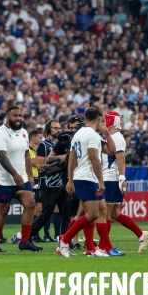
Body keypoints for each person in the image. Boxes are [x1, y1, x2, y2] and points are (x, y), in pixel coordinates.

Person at [58, 107, 110, 258]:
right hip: (88, 177)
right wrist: (101, 181)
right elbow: (94, 158)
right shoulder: (92, 135)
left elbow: (72, 159)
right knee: (93, 214)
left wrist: (70, 180)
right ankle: (65, 239)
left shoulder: (77, 134)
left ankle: (91, 250)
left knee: (90, 212)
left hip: (80, 176)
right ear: (99, 119)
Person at [0, 106, 41, 252]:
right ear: (7, 116)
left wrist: (29, 175)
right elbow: (0, 155)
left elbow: (26, 155)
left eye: (20, 115)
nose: (18, 118)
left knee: (30, 204)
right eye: (15, 116)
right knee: (2, 211)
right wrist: (14, 174)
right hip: (4, 180)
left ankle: (24, 241)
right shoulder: (1, 133)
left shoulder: (24, 132)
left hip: (22, 179)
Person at [101, 112, 148, 254]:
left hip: (111, 178)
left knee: (106, 214)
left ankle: (105, 246)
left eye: (106, 120)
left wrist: (122, 178)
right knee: (115, 213)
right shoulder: (115, 137)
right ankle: (141, 234)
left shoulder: (116, 137)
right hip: (113, 178)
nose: (104, 123)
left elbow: (121, 159)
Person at [29, 120, 71, 246]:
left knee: (66, 215)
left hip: (62, 184)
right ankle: (27, 236)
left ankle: (64, 241)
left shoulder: (62, 145)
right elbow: (40, 165)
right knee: (45, 215)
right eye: (55, 128)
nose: (58, 130)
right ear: (48, 130)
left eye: (59, 128)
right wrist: (59, 162)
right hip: (48, 185)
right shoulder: (44, 145)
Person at [47, 116, 85, 246]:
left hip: (84, 176)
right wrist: (61, 157)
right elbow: (48, 159)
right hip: (69, 179)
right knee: (72, 212)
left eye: (76, 127)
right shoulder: (63, 141)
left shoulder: (86, 137)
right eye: (71, 127)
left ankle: (79, 240)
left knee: (85, 211)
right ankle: (71, 240)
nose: (73, 130)